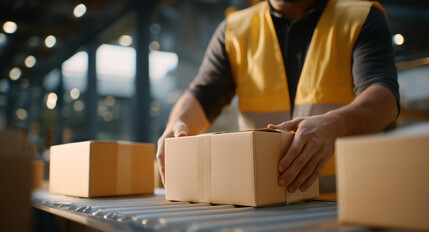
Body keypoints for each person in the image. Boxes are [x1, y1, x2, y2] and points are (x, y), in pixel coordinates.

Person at [156, 0, 399, 193]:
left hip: (347, 199)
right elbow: (203, 94)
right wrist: (178, 124)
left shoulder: (360, 17)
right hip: (264, 201)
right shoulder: (234, 30)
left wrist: (336, 124)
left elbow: (384, 99)